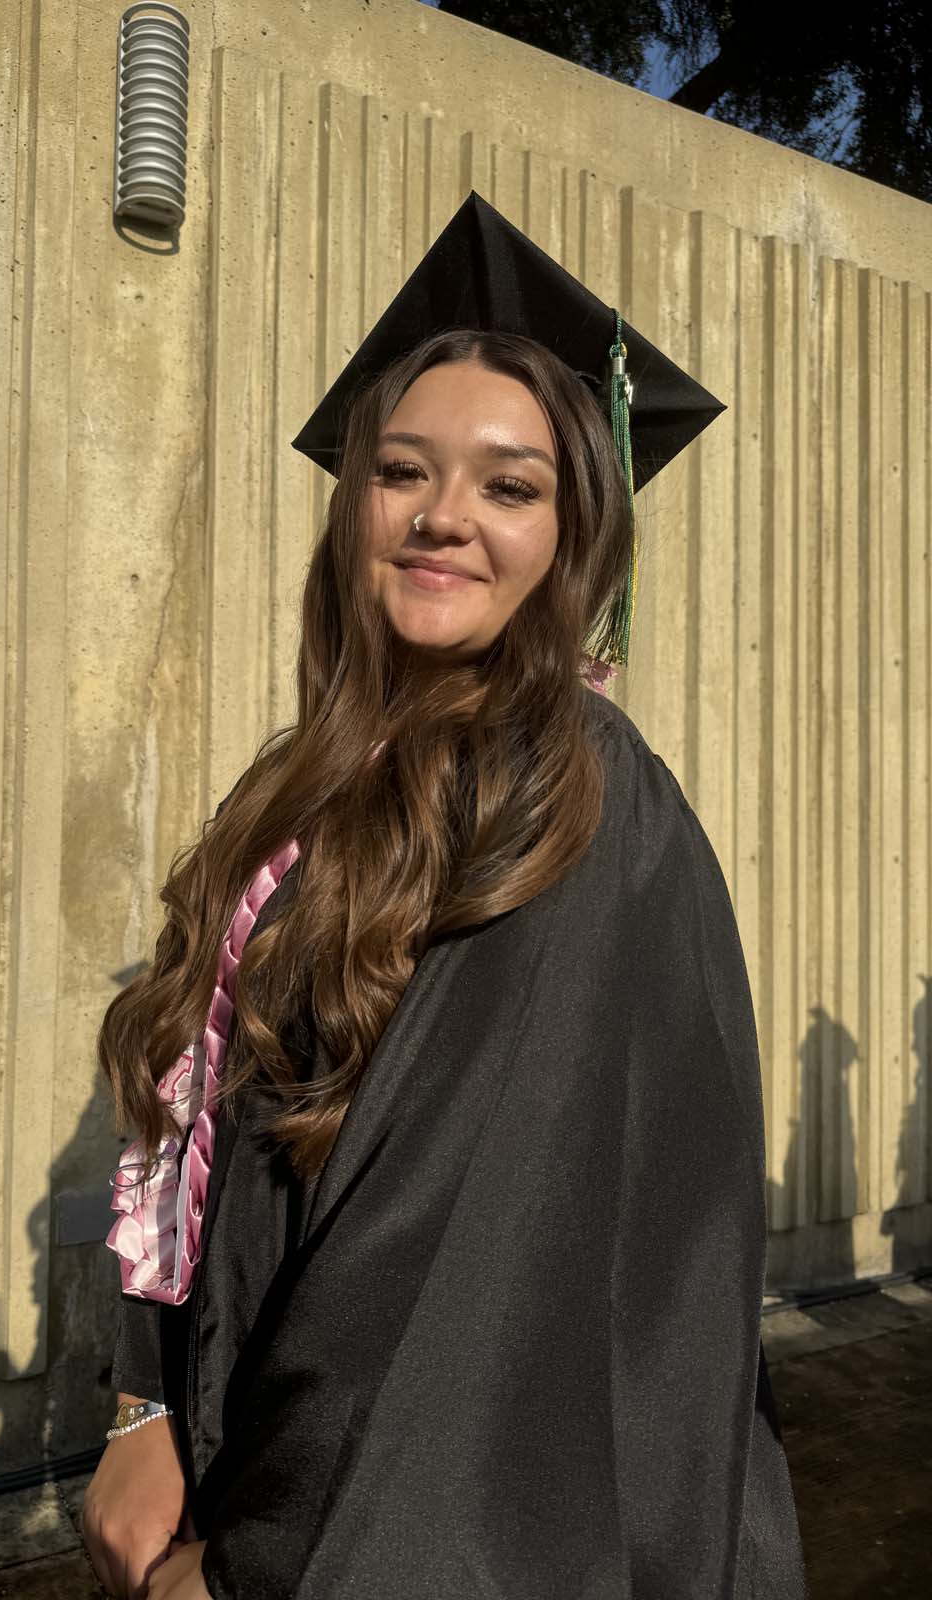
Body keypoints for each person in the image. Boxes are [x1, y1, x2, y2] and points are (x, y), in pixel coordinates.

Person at [82, 194, 807, 1599]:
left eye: (509, 485)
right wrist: (145, 1400)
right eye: (402, 471)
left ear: (577, 532)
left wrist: (256, 1575)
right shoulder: (310, 783)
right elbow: (207, 1117)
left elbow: (463, 1281)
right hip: (250, 1465)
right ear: (352, 502)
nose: (443, 517)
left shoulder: (574, 798)